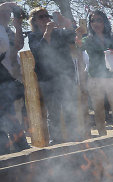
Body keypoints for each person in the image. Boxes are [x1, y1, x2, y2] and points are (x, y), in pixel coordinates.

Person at [28, 8, 82, 144]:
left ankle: (74, 139)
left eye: (47, 16)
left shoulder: (59, 32)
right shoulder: (32, 36)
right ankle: (56, 141)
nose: (46, 18)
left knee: (70, 108)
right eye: (41, 17)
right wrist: (47, 32)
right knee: (54, 112)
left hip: (65, 76)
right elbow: (39, 51)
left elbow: (73, 37)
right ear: (34, 21)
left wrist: (67, 23)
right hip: (48, 79)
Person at [78, 10, 113, 136]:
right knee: (98, 111)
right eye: (92, 20)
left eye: (99, 20)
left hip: (112, 78)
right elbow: (78, 48)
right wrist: (77, 37)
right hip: (94, 79)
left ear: (104, 21)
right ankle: (102, 138)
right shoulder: (86, 40)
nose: (96, 23)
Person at [0, 2, 29, 154]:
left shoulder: (8, 30)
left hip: (8, 79)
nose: (6, 15)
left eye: (8, 13)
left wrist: (18, 26)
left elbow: (18, 45)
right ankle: (8, 149)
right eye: (3, 12)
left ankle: (20, 146)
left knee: (10, 114)